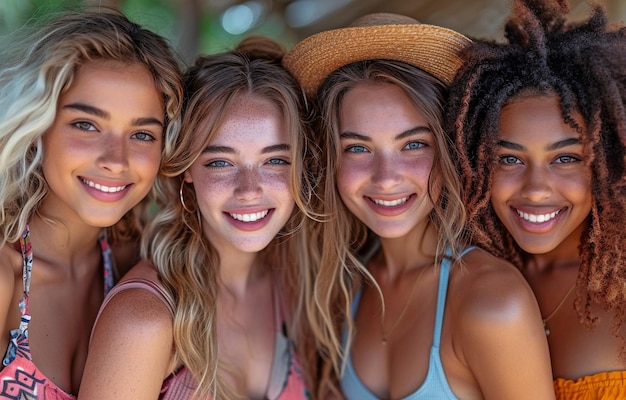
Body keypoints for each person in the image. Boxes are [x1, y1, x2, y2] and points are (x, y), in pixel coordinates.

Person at [283, 12, 555, 400]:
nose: (386, 178)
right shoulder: (344, 289)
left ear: (449, 148)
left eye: (413, 144)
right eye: (357, 148)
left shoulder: (492, 301)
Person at [79, 36, 316, 400]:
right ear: (187, 168)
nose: (249, 189)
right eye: (220, 162)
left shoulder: (293, 287)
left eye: (275, 161)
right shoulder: (145, 318)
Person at [0, 8, 183, 399]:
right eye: (86, 125)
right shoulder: (4, 275)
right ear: (37, 128)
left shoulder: (136, 263)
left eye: (142, 134)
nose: (116, 159)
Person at [448, 0, 626, 398]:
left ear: (607, 161)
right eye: (508, 158)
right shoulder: (466, 273)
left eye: (566, 158)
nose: (536, 188)